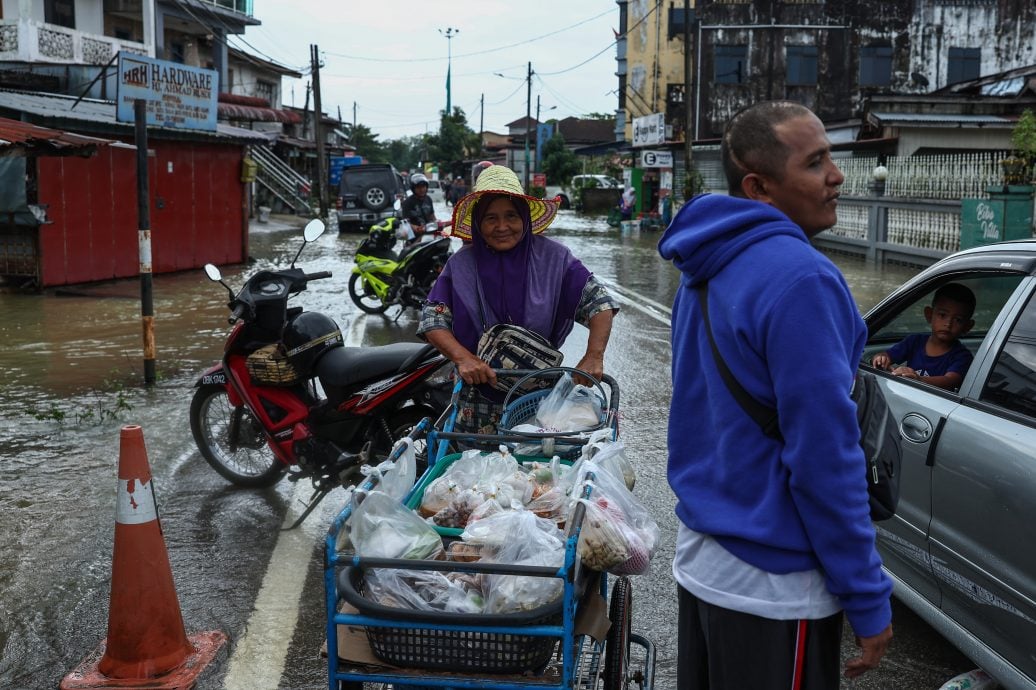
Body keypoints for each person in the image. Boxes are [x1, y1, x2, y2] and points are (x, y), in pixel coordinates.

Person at [657, 101, 893, 689]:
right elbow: (825, 459)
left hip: (706, 561)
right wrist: (867, 597)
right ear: (760, 187)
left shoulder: (703, 264)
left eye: (830, 158)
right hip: (777, 588)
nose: (837, 176)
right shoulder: (803, 279)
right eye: (816, 164)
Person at [417, 164, 618, 433]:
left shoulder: (554, 258)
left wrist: (594, 356)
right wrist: (464, 358)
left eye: (511, 216)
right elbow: (432, 319)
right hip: (475, 397)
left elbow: (599, 303)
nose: (502, 227)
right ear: (478, 222)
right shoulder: (461, 264)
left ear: (524, 217)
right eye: (491, 218)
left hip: (537, 398)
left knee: (536, 469)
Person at [871, 282, 975, 390]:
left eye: (958, 320)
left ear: (967, 326)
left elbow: (950, 381)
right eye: (942, 315)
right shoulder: (915, 341)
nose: (948, 324)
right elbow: (886, 355)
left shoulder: (962, 356)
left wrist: (919, 380)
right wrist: (880, 358)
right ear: (929, 315)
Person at [399, 173, 436, 245]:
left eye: (423, 186)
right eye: (418, 187)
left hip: (429, 234)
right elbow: (405, 222)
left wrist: (437, 222)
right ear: (413, 188)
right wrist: (415, 227)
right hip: (414, 239)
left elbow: (432, 216)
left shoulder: (428, 199)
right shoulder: (408, 202)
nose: (422, 189)